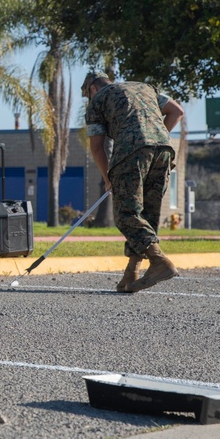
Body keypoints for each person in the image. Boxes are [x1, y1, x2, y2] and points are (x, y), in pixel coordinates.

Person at [82, 71, 184, 293]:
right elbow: (177, 111)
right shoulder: (143, 87)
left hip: (132, 153)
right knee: (146, 213)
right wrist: (154, 138)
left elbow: (97, 147)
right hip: (164, 151)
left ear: (92, 89)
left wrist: (107, 179)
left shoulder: (97, 100)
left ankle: (159, 261)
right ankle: (131, 273)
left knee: (126, 213)